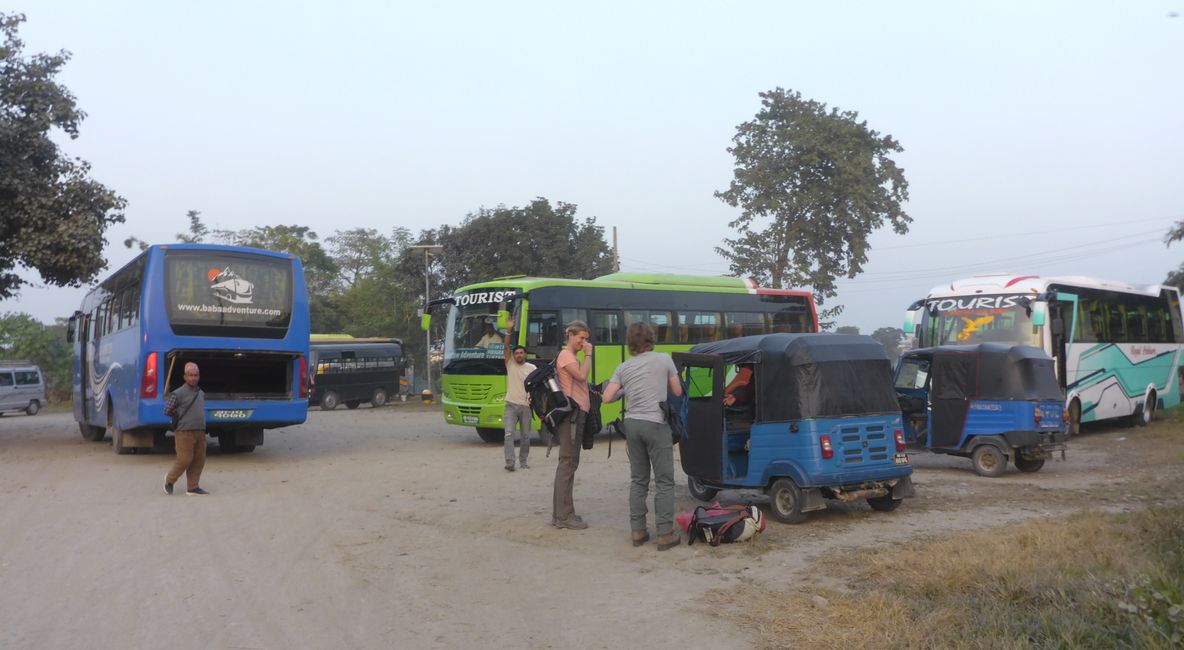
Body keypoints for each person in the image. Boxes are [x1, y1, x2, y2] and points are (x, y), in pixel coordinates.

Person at [602, 321, 684, 550]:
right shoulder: (664, 359)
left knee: (639, 480)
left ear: (630, 342)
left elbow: (607, 397)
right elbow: (677, 391)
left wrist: (626, 389)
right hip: (656, 423)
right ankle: (665, 534)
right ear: (651, 338)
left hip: (632, 425)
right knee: (665, 481)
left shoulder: (624, 366)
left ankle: (638, 531)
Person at [552, 320, 592, 530]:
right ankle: (563, 516)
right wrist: (589, 354)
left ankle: (563, 513)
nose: (584, 342)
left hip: (575, 415)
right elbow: (582, 376)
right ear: (571, 335)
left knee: (569, 464)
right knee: (567, 463)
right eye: (581, 338)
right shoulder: (567, 355)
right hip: (571, 417)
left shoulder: (570, 356)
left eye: (586, 339)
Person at [163, 362, 210, 496]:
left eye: (196, 375)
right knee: (184, 459)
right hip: (184, 431)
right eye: (190, 375)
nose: (193, 378)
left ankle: (193, 487)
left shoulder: (201, 393)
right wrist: (177, 413)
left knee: (199, 460)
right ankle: (169, 480)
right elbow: (167, 410)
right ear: (185, 377)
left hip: (200, 431)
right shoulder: (178, 393)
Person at [502, 317, 536, 471]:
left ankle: (523, 462)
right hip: (511, 405)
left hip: (526, 407)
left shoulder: (532, 368)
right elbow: (506, 347)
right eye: (517, 353)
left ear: (525, 354)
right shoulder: (510, 364)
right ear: (514, 355)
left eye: (521, 353)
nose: (519, 355)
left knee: (526, 437)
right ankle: (510, 462)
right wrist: (509, 330)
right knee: (508, 434)